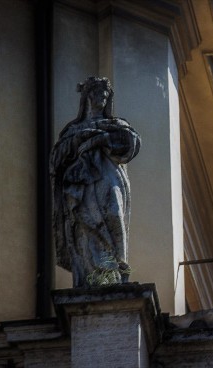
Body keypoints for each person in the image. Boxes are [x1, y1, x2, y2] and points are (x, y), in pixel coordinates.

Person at [50, 77, 141, 288]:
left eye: (104, 94)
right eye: (96, 93)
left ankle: (116, 273)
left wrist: (99, 139)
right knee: (84, 226)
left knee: (114, 214)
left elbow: (132, 143)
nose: (101, 98)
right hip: (82, 185)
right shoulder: (73, 131)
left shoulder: (117, 126)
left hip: (110, 180)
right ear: (87, 97)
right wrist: (80, 140)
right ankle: (93, 279)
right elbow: (56, 160)